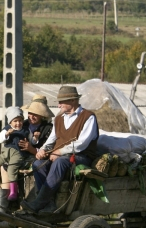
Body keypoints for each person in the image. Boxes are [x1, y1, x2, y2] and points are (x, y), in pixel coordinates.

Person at [20, 86, 99, 214]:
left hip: (81, 157)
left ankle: (39, 202)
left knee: (60, 162)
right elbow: (52, 138)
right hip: (60, 156)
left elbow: (81, 144)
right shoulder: (59, 118)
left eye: (62, 102)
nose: (59, 105)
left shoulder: (88, 117)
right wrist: (43, 150)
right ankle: (49, 204)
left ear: (73, 101)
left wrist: (59, 152)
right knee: (37, 164)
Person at [0, 96, 54, 221]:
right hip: (13, 155)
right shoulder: (22, 123)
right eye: (30, 113)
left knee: (5, 168)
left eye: (36, 114)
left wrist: (32, 148)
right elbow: (4, 138)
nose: (32, 116)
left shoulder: (48, 128)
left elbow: (47, 150)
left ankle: (5, 210)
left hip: (32, 158)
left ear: (43, 115)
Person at [0, 106, 37, 205]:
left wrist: (35, 138)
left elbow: (32, 141)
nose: (18, 123)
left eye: (20, 120)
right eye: (15, 121)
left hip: (18, 153)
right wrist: (6, 134)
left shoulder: (26, 130)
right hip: (5, 152)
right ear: (10, 122)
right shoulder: (6, 129)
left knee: (12, 169)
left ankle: (13, 191)